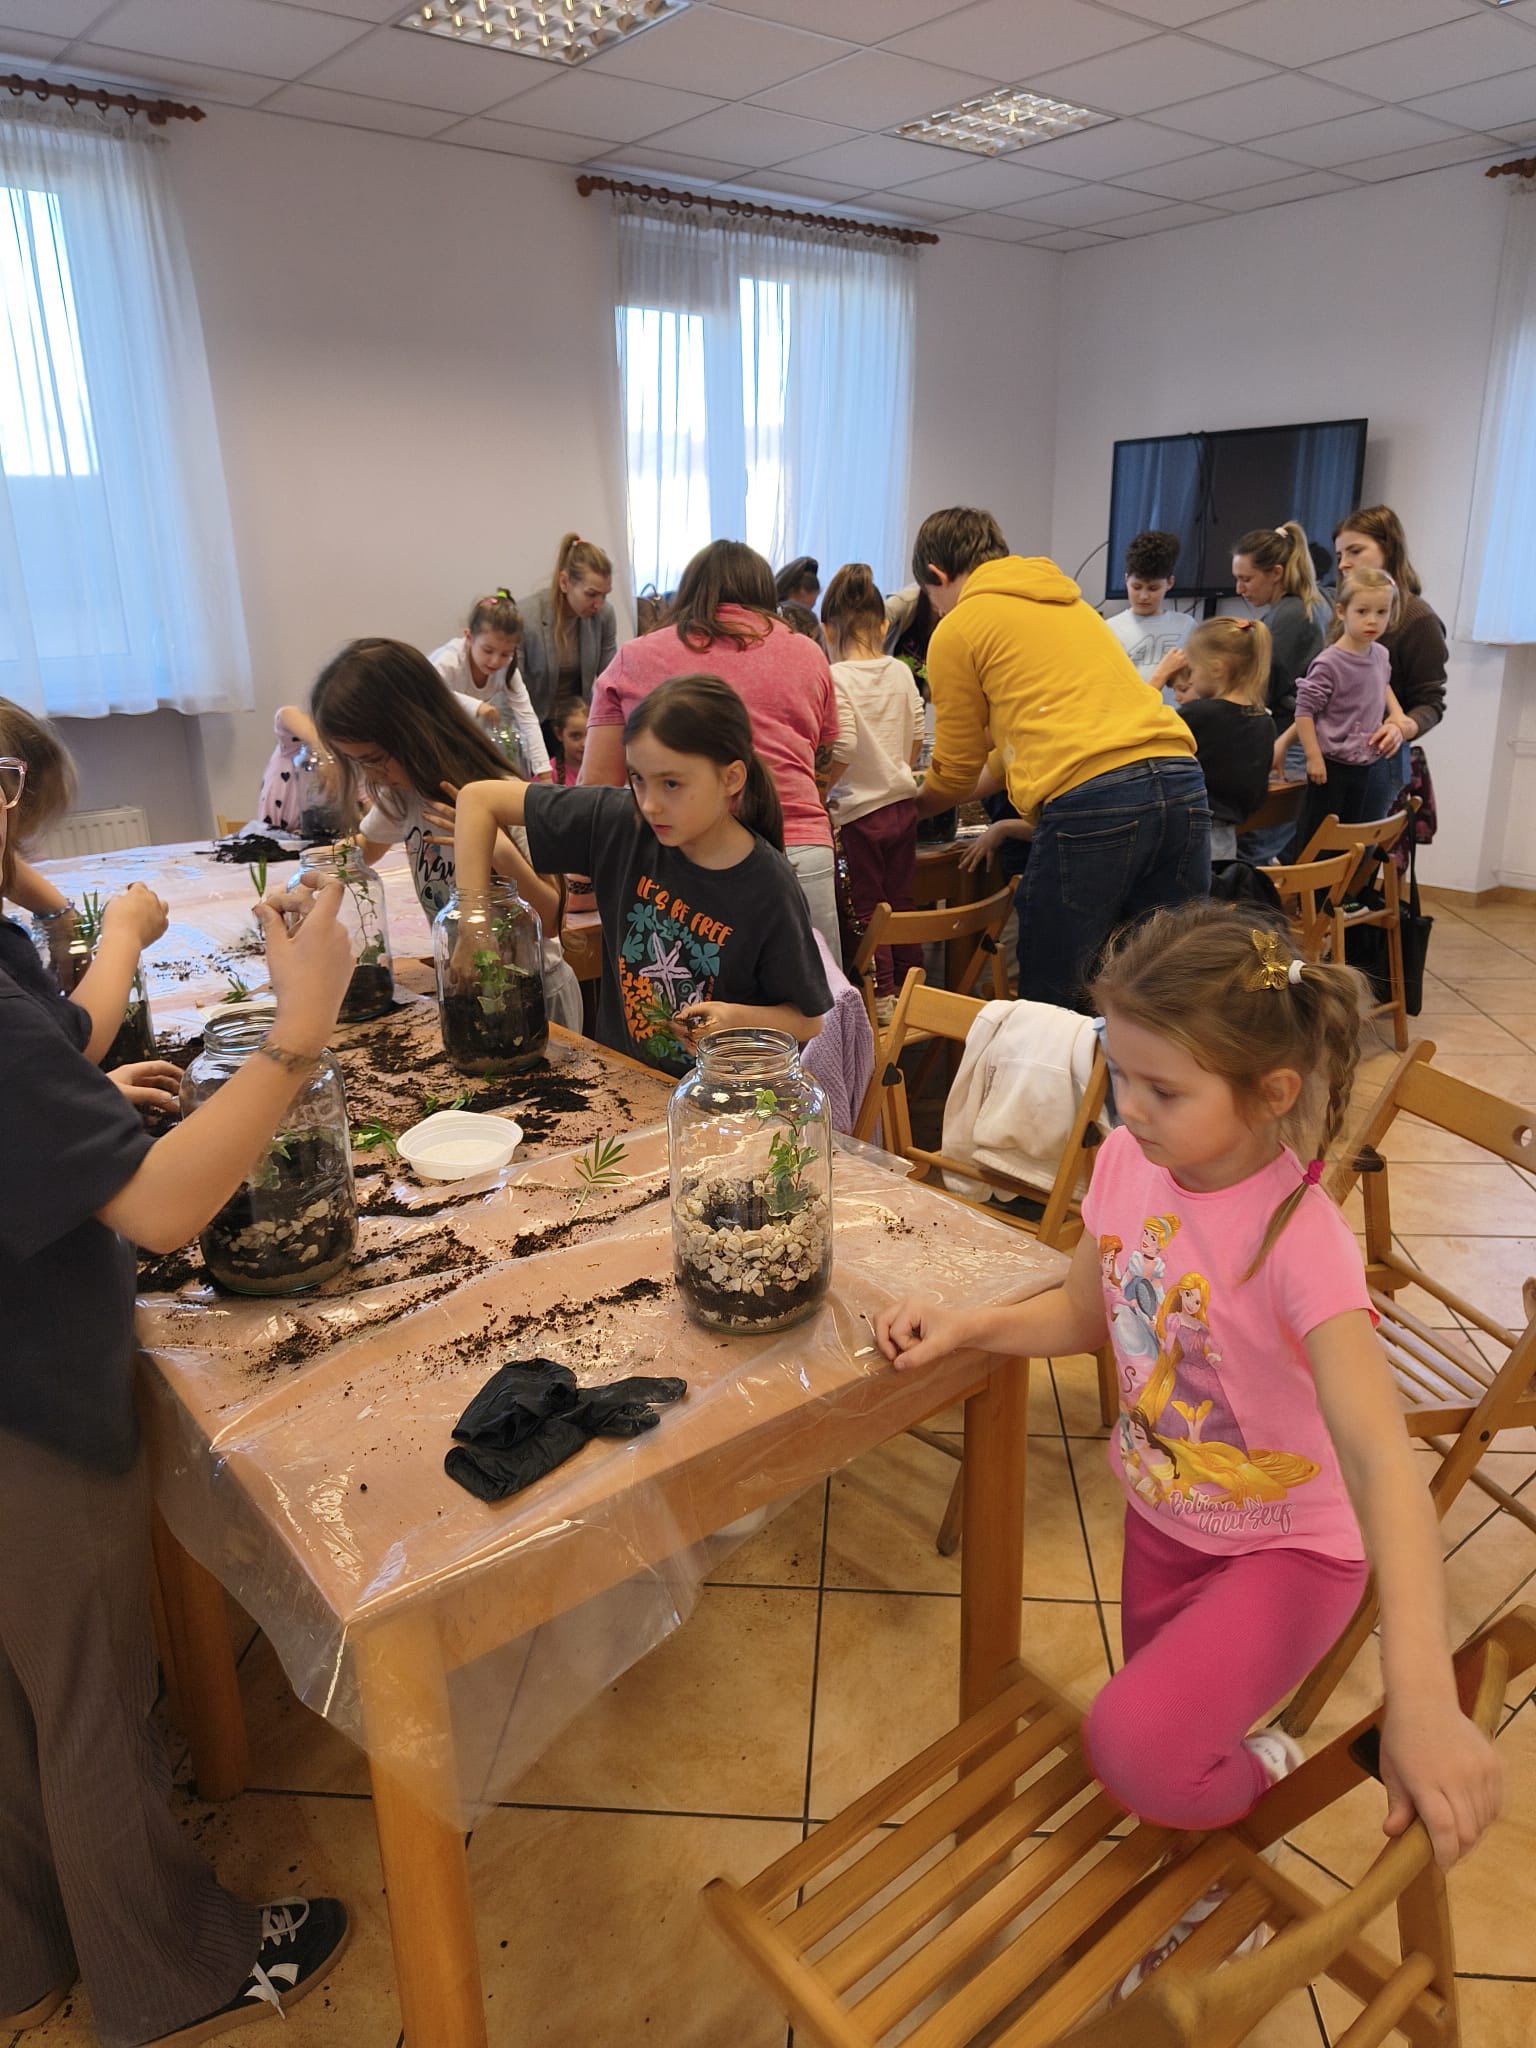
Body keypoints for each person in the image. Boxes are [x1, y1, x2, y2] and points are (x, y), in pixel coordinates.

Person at [876, 903, 1502, 1994]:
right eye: (1121, 1074)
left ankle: (1263, 1775)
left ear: (1272, 1092)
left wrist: (1420, 1694)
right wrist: (967, 1324)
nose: (1130, 1107)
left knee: (1136, 1745)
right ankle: (1205, 1859)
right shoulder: (1126, 1160)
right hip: (1165, 1518)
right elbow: (1084, 1313)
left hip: (1291, 1550)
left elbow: (1381, 1462)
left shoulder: (1300, 1239)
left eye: (1164, 1090)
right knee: (1171, 1741)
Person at [0, 724, 356, 2043]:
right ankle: (167, 1973)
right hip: (27, 1403)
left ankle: (24, 1953)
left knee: (21, 1697)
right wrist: (299, 1029)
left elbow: (41, 1062)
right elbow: (157, 1207)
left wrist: (78, 1079)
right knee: (93, 1698)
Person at [453, 675, 832, 1077]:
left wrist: (733, 1016)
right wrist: (473, 926)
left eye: (671, 783)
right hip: (624, 1081)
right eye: (637, 778)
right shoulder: (622, 821)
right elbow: (477, 799)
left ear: (731, 778)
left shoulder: (768, 887)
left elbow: (808, 1020)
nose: (650, 804)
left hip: (717, 1097)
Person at [909, 507, 1208, 1011]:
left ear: (937, 576)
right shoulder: (1074, 608)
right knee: (1163, 988)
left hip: (1095, 801)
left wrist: (912, 806)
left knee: (1055, 998)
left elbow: (956, 769)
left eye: (929, 596)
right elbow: (1014, 751)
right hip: (1181, 779)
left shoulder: (959, 627)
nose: (934, 608)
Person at [582, 540, 850, 964]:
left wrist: (581, 882)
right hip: (801, 846)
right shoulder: (807, 651)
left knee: (696, 1003)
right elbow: (825, 754)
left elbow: (596, 788)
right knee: (819, 998)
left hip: (687, 858)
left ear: (689, 591)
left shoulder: (635, 657)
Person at [310, 638, 582, 1030]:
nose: (372, 777)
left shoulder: (500, 792)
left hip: (534, 996)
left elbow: (552, 917)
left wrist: (497, 849)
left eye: (375, 760)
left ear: (415, 731)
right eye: (358, 763)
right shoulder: (403, 797)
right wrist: (310, 873)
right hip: (473, 995)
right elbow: (365, 848)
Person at [820, 563, 925, 1021]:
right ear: (883, 626)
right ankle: (913, 988)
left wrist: (820, 790)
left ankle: (881, 997)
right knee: (902, 902)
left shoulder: (836, 676)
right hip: (902, 805)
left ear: (827, 630)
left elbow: (842, 747)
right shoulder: (900, 671)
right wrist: (894, 767)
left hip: (859, 814)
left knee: (866, 908)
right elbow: (917, 735)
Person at [1334, 505, 1448, 818]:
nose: (1343, 564)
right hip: (1334, 754)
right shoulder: (1344, 611)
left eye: (1355, 551)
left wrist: (1403, 725)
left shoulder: (1418, 619)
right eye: (1340, 555)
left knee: (1353, 846)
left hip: (1378, 762)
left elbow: (1430, 702)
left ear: (1388, 549)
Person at [1289, 566, 1406, 858]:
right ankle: (1310, 886)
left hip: (1365, 763)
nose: (1373, 620)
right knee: (1318, 837)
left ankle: (1338, 886)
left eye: (1382, 612)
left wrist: (1397, 714)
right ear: (1342, 612)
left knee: (1350, 839)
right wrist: (1313, 757)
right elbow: (1304, 711)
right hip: (1330, 766)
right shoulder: (1329, 663)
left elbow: (1382, 684)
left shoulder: (1380, 654)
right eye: (1362, 611)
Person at [1165, 618, 1276, 861]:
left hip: (1185, 834)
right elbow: (1257, 795)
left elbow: (1144, 733)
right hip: (1226, 839)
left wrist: (1158, 677)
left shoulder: (1198, 715)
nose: (1191, 680)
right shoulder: (1265, 722)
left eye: (1194, 670)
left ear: (1216, 668)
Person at [428, 590, 551, 780]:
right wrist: (476, 706)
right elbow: (429, 693)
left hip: (455, 731)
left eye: (505, 654)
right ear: (469, 637)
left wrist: (544, 772)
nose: (495, 661)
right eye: (488, 650)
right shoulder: (449, 660)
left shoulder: (508, 669)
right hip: (424, 726)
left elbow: (527, 718)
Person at [1231, 522, 1324, 731]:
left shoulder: (1290, 615)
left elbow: (1262, 688)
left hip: (1289, 731)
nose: (1239, 589)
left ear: (1275, 573)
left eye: (1246, 579)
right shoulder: (1310, 604)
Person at [517, 535, 619, 723]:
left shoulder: (604, 615)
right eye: (591, 594)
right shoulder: (525, 617)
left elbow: (611, 679)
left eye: (604, 595)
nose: (598, 604)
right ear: (564, 582)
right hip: (534, 720)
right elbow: (512, 688)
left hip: (578, 721)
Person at [1106, 529, 1193, 697]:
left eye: (1153, 588)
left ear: (1170, 583)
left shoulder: (1186, 625)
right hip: (1132, 710)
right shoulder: (1110, 629)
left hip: (1178, 713)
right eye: (1136, 587)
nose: (1143, 596)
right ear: (1126, 580)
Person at [551, 696, 588, 787]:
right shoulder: (548, 774)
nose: (585, 744)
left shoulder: (610, 770)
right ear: (559, 734)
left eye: (591, 735)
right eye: (576, 736)